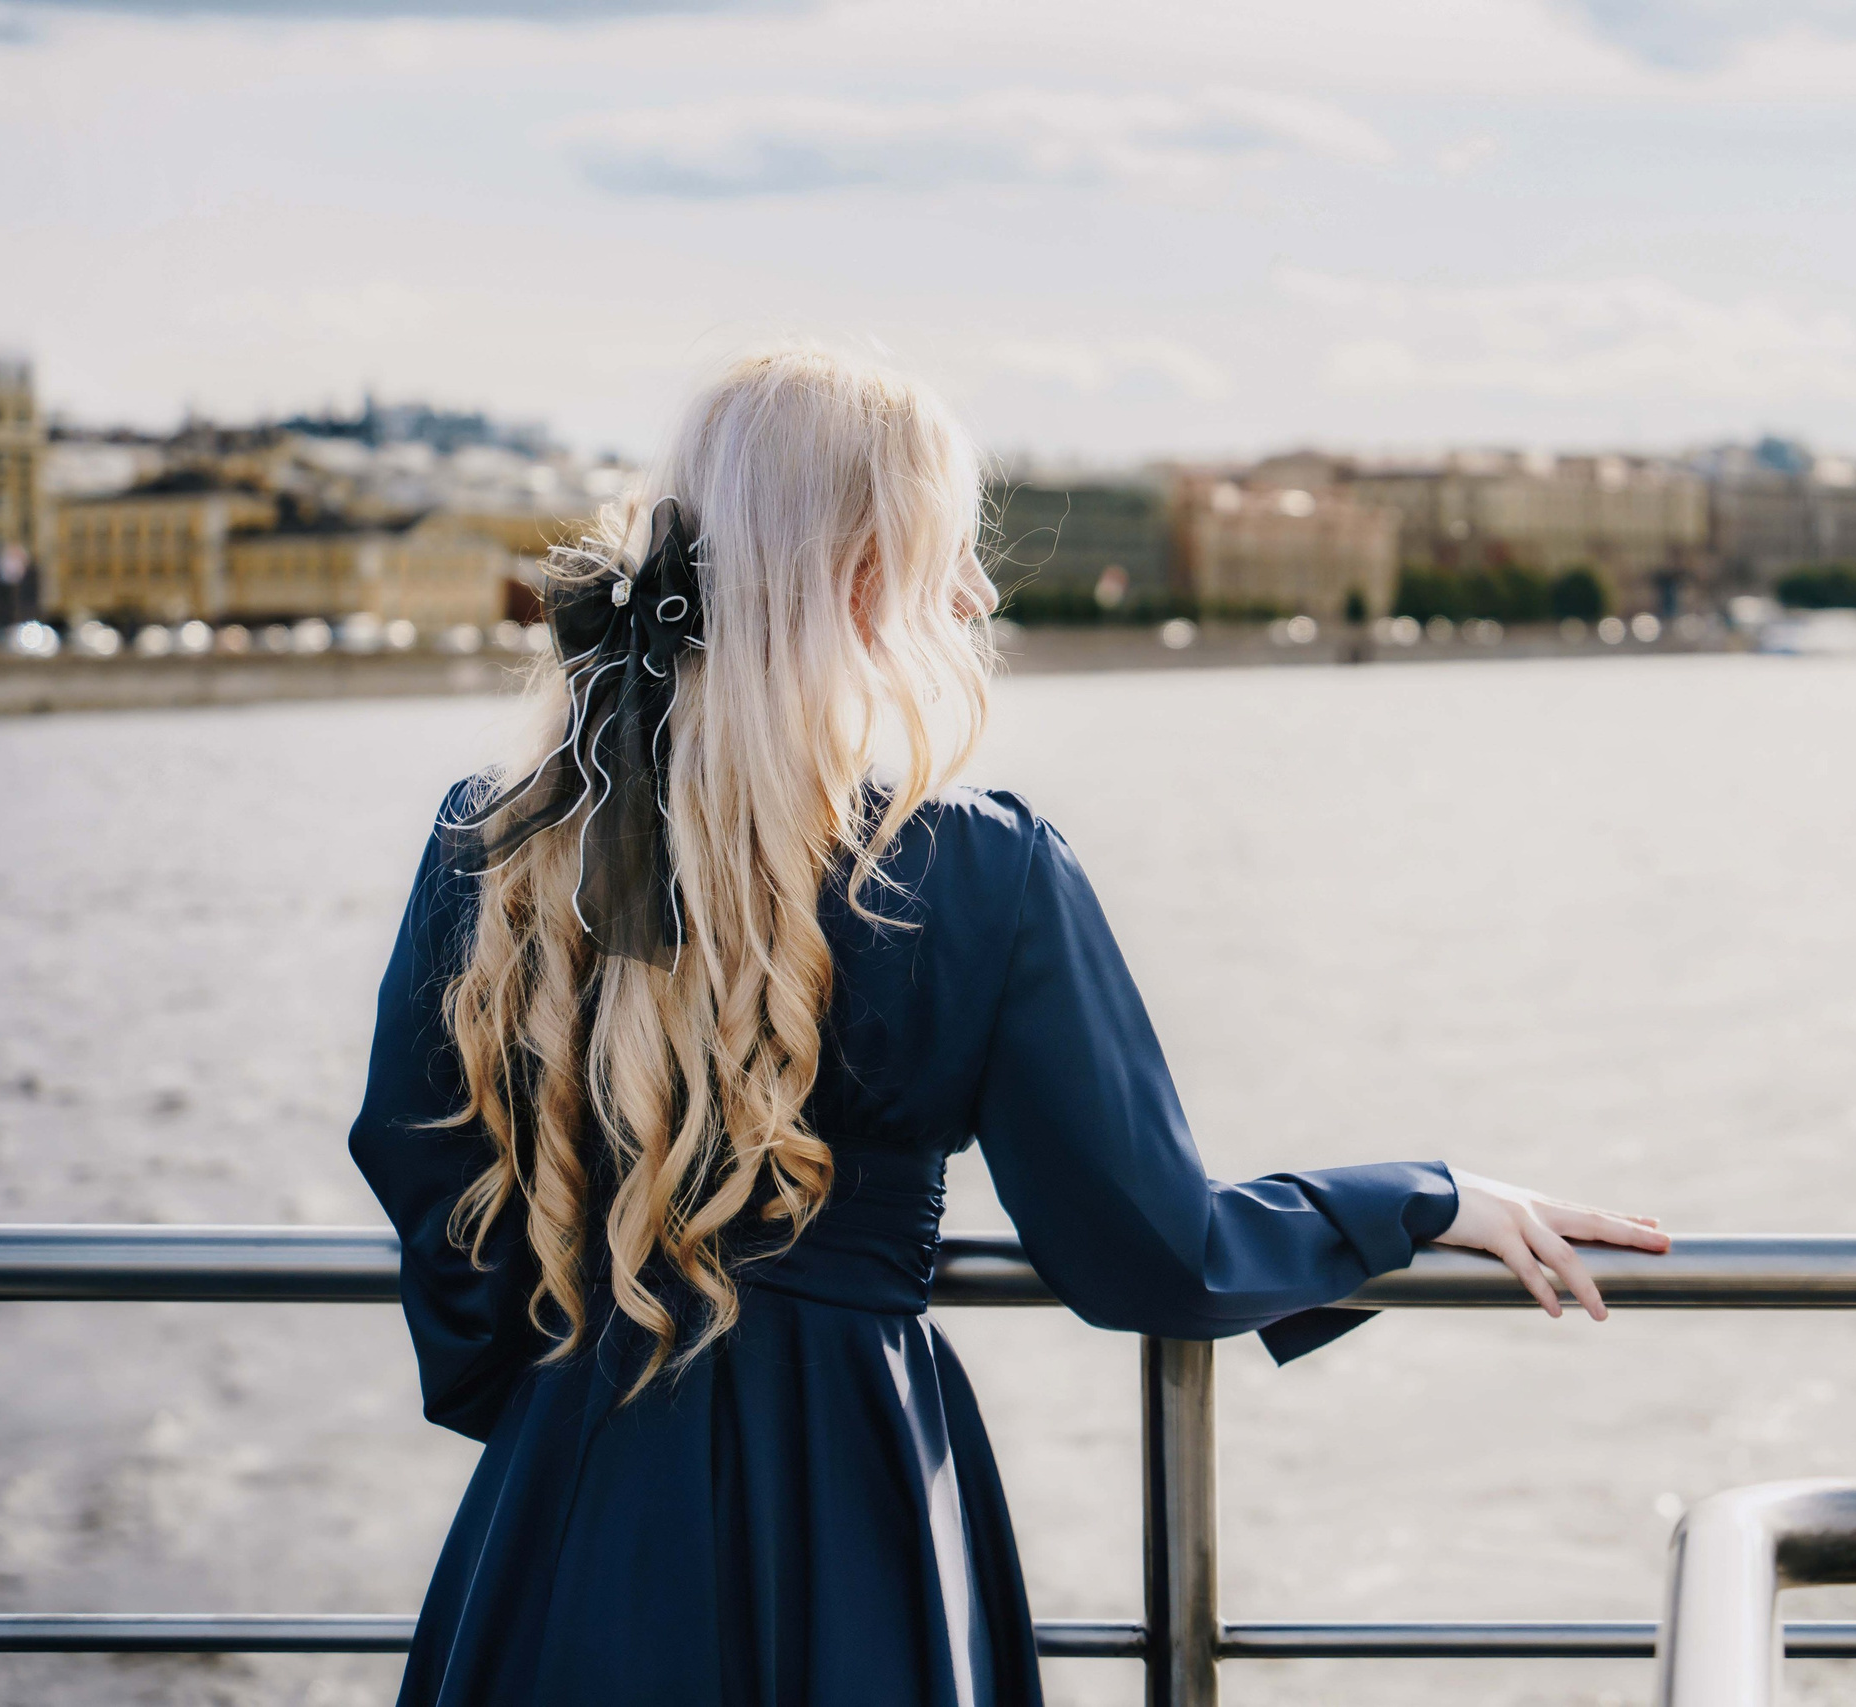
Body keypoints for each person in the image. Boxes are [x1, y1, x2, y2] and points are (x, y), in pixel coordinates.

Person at [348, 344, 1668, 1707]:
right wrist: (1417, 1199)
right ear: (862, 579)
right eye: (950, 555)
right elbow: (1156, 1257)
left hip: (560, 1518)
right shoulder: (975, 871)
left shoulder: (492, 848)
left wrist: (555, 1416)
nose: (975, 594)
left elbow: (429, 1191)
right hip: (850, 1505)